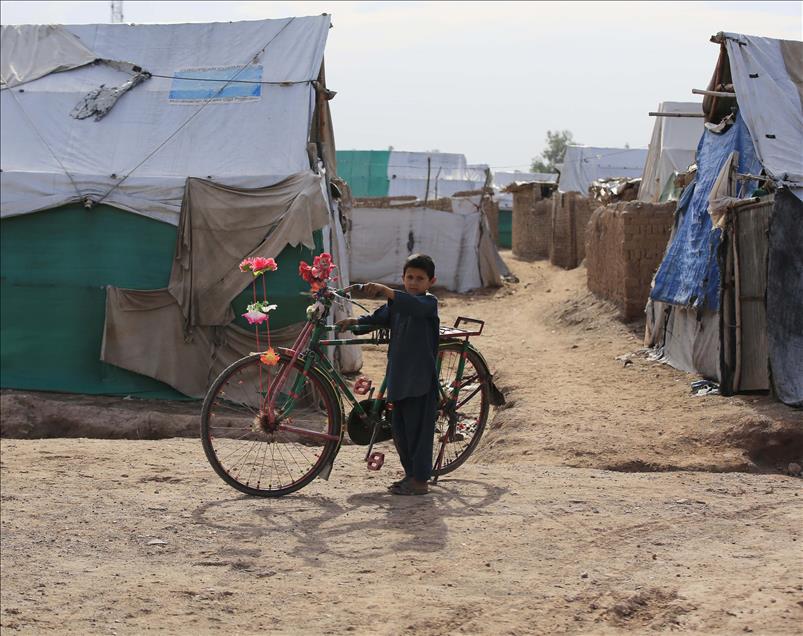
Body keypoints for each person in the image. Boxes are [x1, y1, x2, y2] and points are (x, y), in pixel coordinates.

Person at [337, 254, 440, 496]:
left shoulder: (428, 303)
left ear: (431, 281)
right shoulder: (397, 305)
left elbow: (411, 304)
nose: (414, 282)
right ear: (403, 278)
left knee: (419, 433)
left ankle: (420, 480)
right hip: (399, 379)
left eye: (420, 278)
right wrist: (354, 322)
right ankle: (410, 475)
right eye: (409, 277)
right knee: (401, 432)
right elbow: (376, 319)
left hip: (420, 381)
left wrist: (386, 290)